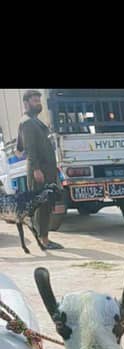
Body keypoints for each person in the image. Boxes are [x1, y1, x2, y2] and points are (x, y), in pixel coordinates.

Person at [17, 89, 63, 250]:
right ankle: (44, 240)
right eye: (35, 101)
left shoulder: (32, 121)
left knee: (45, 204)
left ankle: (43, 238)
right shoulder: (28, 122)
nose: (38, 103)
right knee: (43, 206)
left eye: (39, 100)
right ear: (26, 103)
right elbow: (29, 148)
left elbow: (19, 147)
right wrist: (36, 169)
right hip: (40, 171)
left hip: (45, 170)